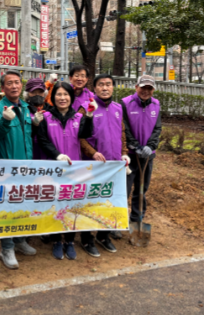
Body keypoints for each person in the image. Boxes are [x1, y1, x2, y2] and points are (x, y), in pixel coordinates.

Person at [37, 82, 95, 260]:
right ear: (53, 97)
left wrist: (89, 116)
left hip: (73, 169)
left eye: (66, 95)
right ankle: (56, 240)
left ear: (71, 97)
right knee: (55, 204)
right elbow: (42, 140)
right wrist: (57, 155)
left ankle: (69, 241)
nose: (62, 98)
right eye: (58, 94)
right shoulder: (45, 117)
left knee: (71, 205)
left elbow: (85, 134)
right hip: (53, 168)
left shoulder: (78, 117)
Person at [0, 71, 37, 269]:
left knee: (22, 205)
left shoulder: (25, 107)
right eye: (10, 83)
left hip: (26, 166)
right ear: (3, 87)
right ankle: (6, 248)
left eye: (17, 82)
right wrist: (5, 121)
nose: (14, 86)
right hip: (7, 168)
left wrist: (36, 123)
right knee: (7, 208)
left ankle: (19, 240)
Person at [79, 74, 130, 257]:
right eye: (101, 85)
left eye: (108, 84)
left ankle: (104, 235)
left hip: (114, 165)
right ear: (94, 88)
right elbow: (80, 136)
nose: (105, 88)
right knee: (90, 202)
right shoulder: (86, 107)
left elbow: (122, 133)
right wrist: (92, 152)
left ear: (113, 87)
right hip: (94, 165)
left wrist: (124, 152)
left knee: (110, 201)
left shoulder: (118, 108)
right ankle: (86, 238)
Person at [121, 75, 162, 229]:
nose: (146, 91)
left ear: (153, 90)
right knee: (124, 189)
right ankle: (119, 220)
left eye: (149, 88)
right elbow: (124, 127)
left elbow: (157, 128)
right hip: (129, 156)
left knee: (141, 189)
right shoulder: (125, 103)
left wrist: (150, 146)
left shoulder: (156, 104)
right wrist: (135, 145)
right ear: (136, 87)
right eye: (143, 87)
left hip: (147, 155)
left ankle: (137, 219)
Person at [24, 78, 51, 160]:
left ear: (45, 93)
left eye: (40, 92)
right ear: (27, 94)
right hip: (31, 155)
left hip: (49, 155)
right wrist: (34, 124)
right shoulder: (24, 110)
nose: (37, 95)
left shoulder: (51, 110)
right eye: (33, 92)